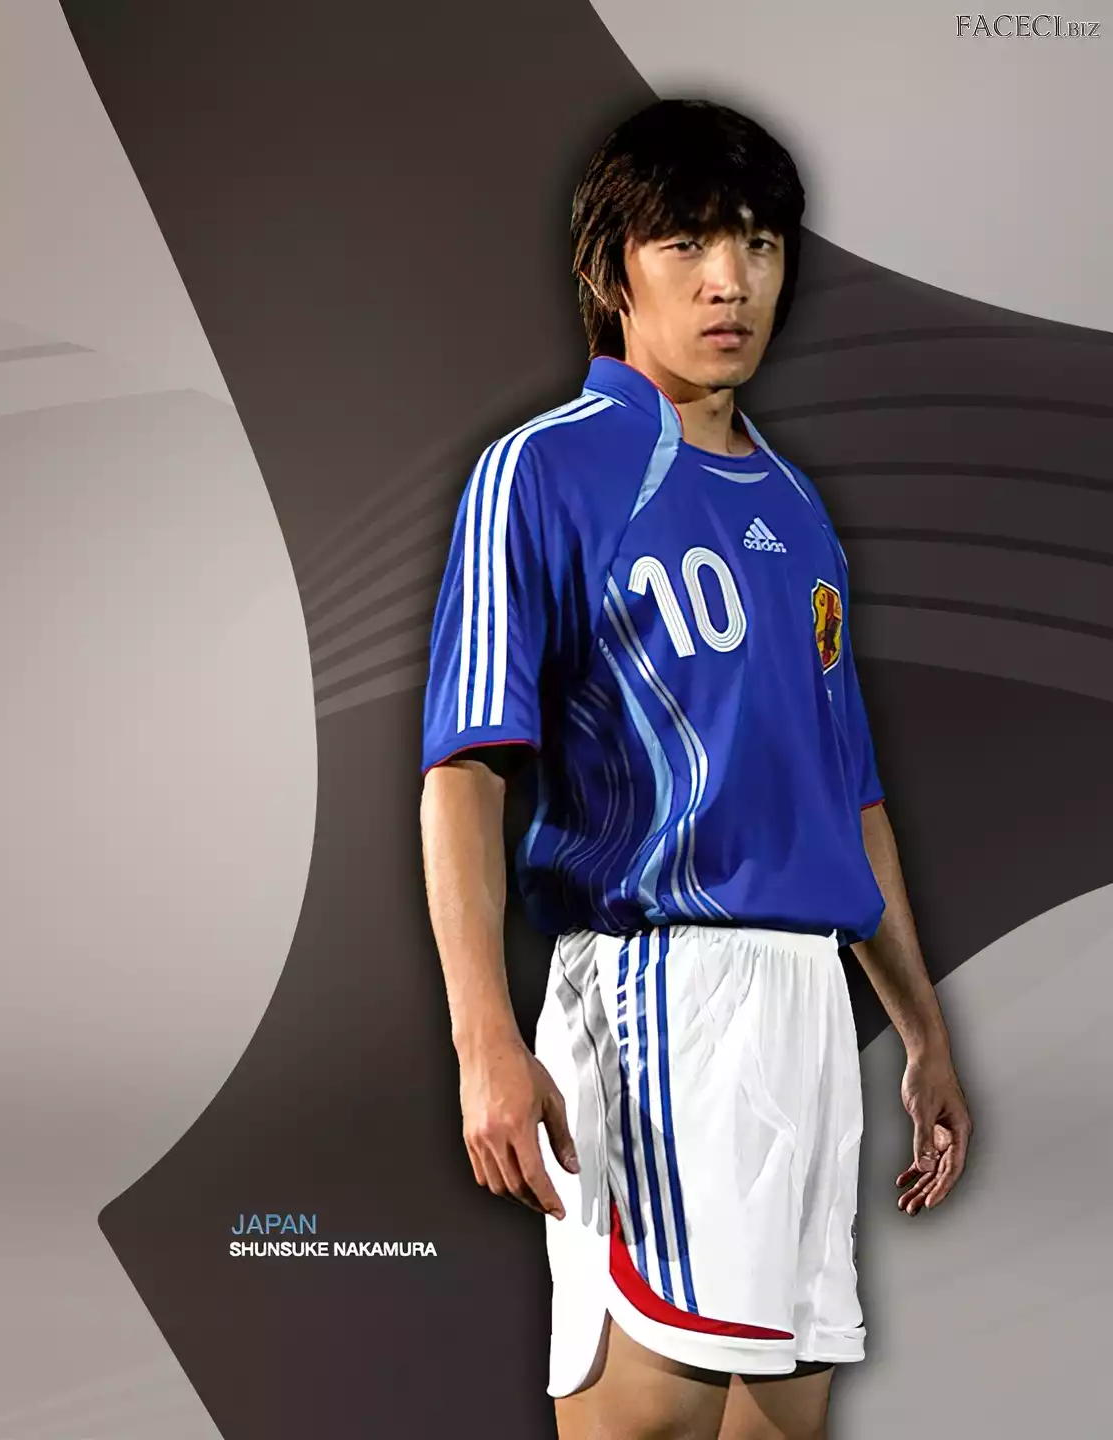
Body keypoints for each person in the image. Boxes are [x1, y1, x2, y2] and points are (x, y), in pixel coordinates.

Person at [417, 98, 973, 1440]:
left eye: (760, 243)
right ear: (613, 271)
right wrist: (484, 1038)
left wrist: (923, 1035)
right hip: (662, 995)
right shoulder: (544, 471)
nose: (733, 280)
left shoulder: (797, 509)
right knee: (644, 1416)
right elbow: (467, 769)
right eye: (689, 244)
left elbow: (848, 798)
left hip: (806, 1008)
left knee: (782, 1423)